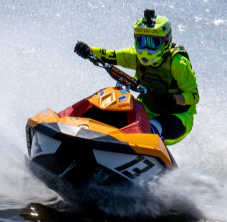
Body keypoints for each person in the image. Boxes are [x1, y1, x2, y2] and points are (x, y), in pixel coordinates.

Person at [74, 9, 199, 145]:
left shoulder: (178, 63)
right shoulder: (134, 56)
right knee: (114, 112)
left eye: (152, 43)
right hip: (146, 111)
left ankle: (143, 149)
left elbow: (194, 96)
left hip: (178, 117)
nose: (145, 49)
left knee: (149, 128)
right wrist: (88, 50)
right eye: (142, 41)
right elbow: (109, 56)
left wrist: (174, 100)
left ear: (165, 42)